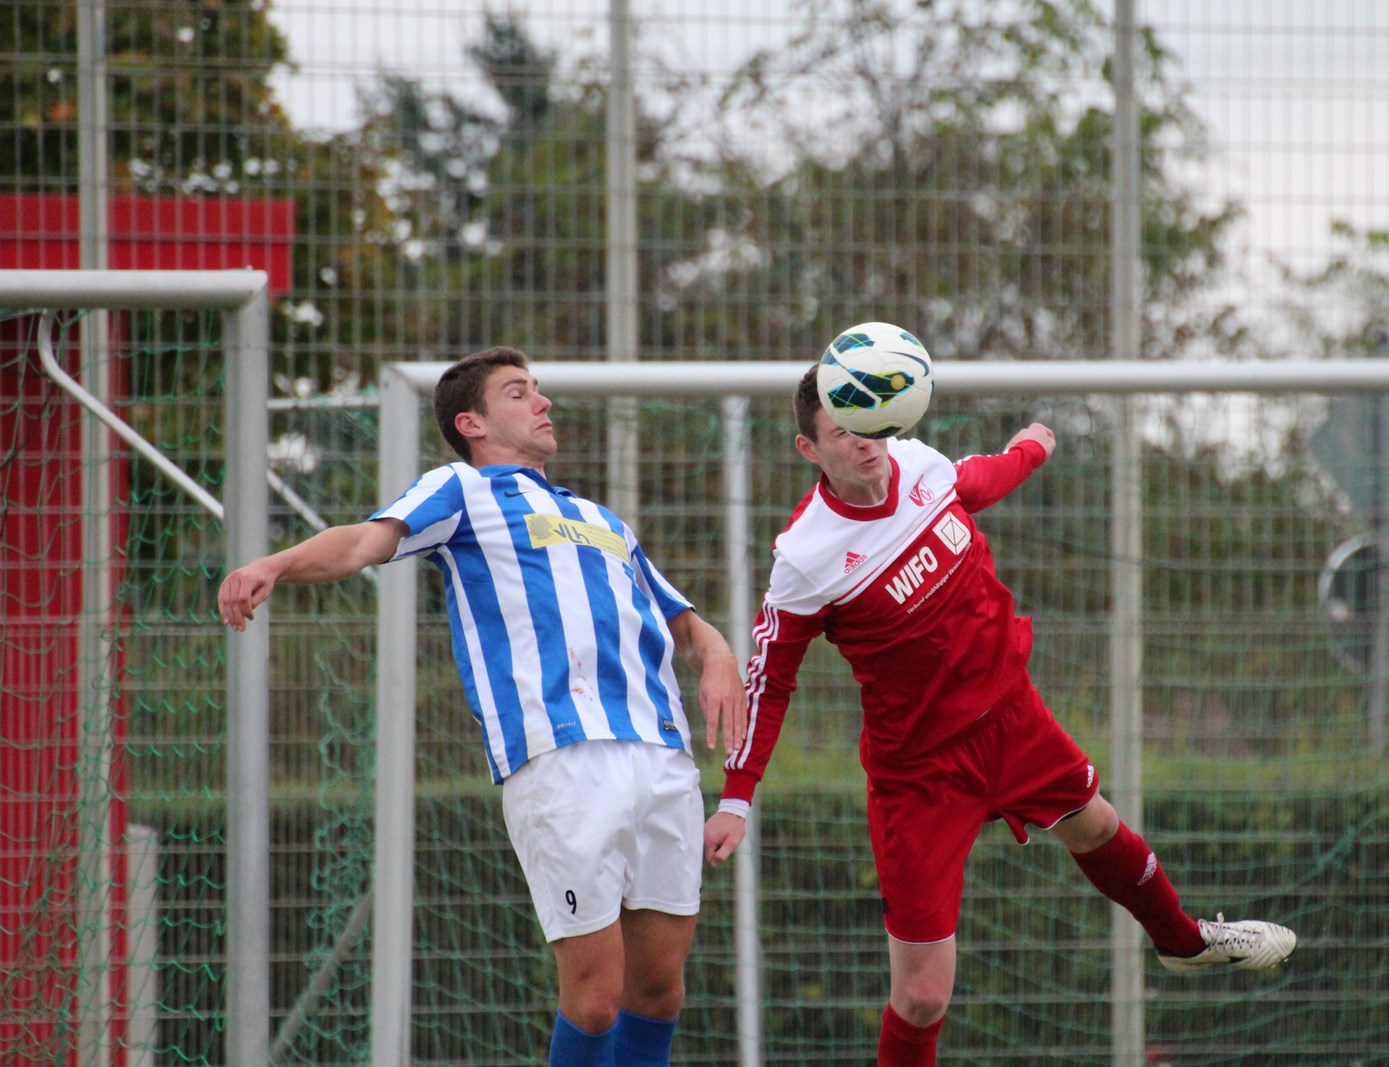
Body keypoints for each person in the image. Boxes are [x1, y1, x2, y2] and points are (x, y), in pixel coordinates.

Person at [703, 364, 1296, 1066]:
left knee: (1097, 823)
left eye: (871, 423)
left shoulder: (918, 463)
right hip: (919, 774)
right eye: (843, 432)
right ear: (810, 450)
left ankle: (1185, 941)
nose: (867, 443)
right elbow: (771, 679)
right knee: (922, 996)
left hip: (1010, 720)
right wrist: (737, 796)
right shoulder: (806, 559)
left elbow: (975, 481)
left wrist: (1031, 449)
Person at [219, 346, 747, 1067]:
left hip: (661, 757)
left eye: (540, 391)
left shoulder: (603, 520)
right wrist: (273, 562)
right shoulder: (461, 490)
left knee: (659, 993)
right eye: (520, 392)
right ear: (471, 421)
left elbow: (685, 622)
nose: (543, 403)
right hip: (561, 760)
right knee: (593, 997)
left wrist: (717, 654)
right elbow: (360, 543)